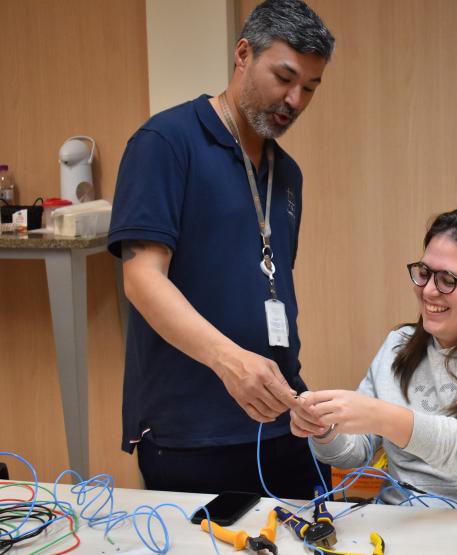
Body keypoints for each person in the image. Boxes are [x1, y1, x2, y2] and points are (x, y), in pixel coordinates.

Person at [107, 0, 334, 497]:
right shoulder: (165, 143)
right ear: (243, 53)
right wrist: (230, 360)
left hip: (281, 419)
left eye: (310, 88)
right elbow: (142, 279)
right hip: (192, 430)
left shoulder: (287, 173)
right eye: (284, 77)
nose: (295, 100)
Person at [288, 207, 457, 512]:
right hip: (404, 528)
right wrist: (324, 430)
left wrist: (388, 419)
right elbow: (355, 454)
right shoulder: (399, 345)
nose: (429, 291)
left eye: (449, 280)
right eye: (424, 273)